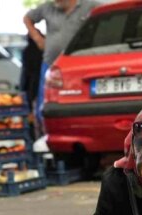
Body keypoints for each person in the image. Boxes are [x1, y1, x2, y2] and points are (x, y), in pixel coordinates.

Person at [24, 0, 100, 132]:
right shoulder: (48, 7)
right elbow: (27, 18)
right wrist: (38, 39)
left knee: (77, 103)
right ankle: (45, 138)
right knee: (45, 105)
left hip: (78, 66)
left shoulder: (91, 6)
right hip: (51, 64)